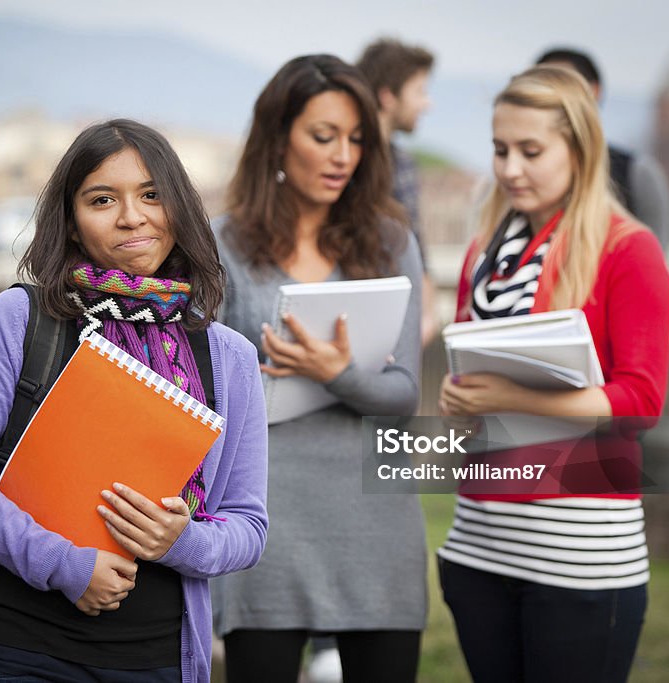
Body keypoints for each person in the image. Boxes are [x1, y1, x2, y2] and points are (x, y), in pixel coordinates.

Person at [0, 119, 269, 683]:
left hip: (157, 659)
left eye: (152, 195)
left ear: (179, 208)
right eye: (103, 199)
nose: (132, 216)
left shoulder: (231, 358)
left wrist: (180, 540)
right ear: (74, 223)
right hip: (16, 649)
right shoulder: (19, 320)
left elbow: (248, 529)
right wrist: (66, 566)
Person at [436, 66, 669, 682]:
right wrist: (458, 397)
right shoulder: (484, 247)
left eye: (530, 151)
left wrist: (516, 395)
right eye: (499, 149)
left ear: (580, 148)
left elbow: (642, 399)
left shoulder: (629, 249)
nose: (510, 167)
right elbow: (470, 366)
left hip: (581, 556)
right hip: (479, 543)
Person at [210, 54, 427, 683]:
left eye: (356, 139)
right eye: (323, 136)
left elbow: (404, 395)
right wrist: (258, 370)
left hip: (375, 520)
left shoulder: (391, 243)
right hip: (267, 521)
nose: (343, 156)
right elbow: (200, 390)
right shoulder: (221, 245)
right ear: (279, 137)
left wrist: (333, 372)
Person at [537, 47, 669, 250]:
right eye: (542, 88)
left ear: (594, 91)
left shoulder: (636, 174)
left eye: (564, 86)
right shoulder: (513, 178)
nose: (552, 97)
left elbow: (657, 262)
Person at [357, 37, 441, 346]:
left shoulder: (400, 160)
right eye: (419, 91)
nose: (426, 103)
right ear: (388, 95)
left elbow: (413, 240)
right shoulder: (366, 162)